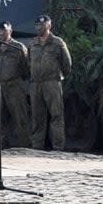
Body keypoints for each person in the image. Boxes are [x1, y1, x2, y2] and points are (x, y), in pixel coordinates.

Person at [28, 14, 72, 150]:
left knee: (56, 115)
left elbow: (67, 64)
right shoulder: (33, 43)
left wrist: (57, 76)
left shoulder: (58, 42)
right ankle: (37, 146)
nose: (39, 27)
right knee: (37, 116)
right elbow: (28, 62)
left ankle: (58, 146)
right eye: (37, 25)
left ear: (49, 26)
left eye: (42, 25)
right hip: (36, 84)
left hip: (52, 83)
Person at [0, 21, 30, 148]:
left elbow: (26, 68)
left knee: (20, 116)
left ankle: (24, 144)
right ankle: (0, 144)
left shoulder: (18, 47)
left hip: (14, 86)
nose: (1, 33)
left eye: (4, 30)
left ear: (10, 31)